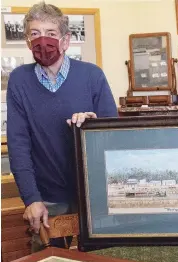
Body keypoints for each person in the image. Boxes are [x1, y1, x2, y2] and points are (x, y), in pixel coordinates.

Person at [7, 2, 118, 248]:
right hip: (46, 201)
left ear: (66, 40)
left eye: (51, 34)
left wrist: (92, 127)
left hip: (92, 198)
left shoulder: (92, 76)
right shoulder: (19, 81)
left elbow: (114, 138)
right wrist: (31, 199)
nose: (42, 41)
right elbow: (18, 145)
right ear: (27, 41)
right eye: (35, 34)